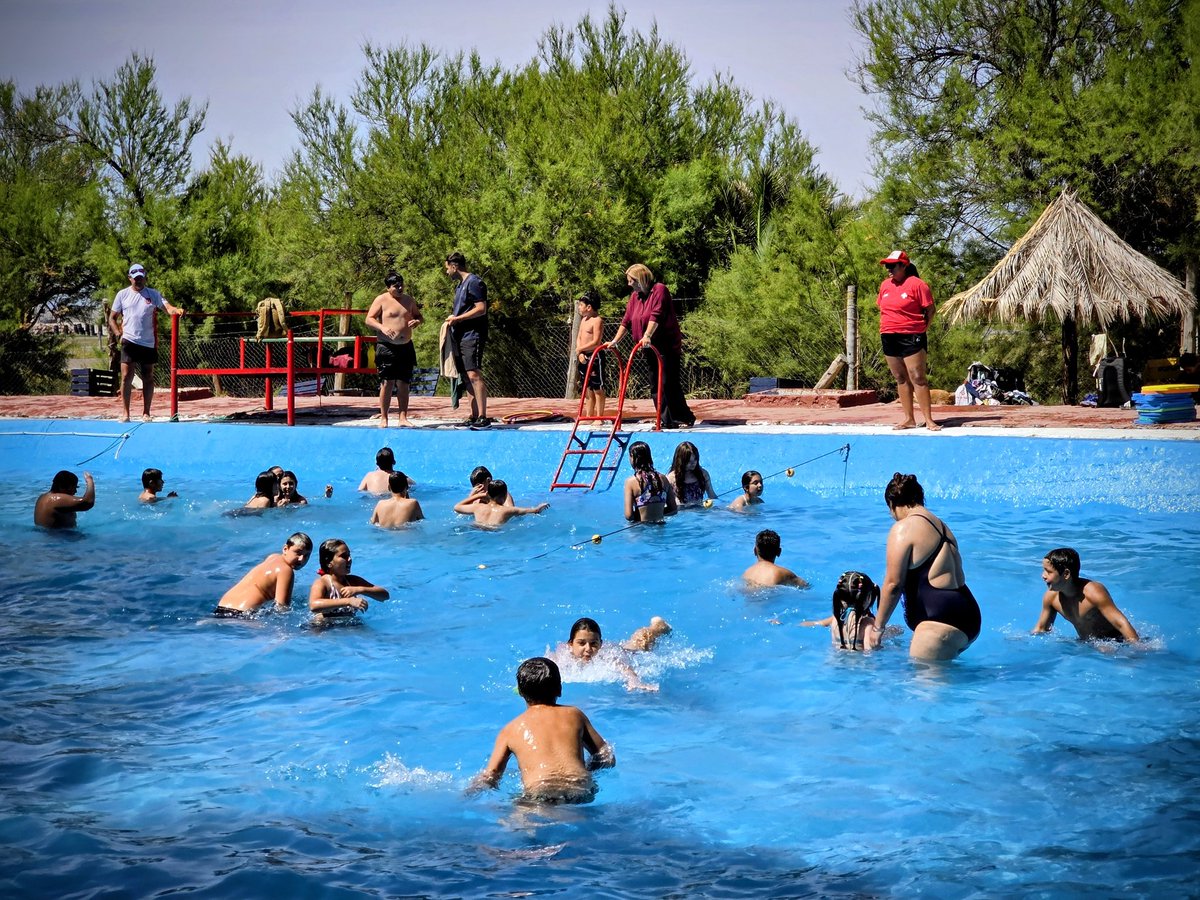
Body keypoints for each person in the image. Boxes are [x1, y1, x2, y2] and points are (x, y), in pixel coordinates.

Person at [467, 657, 615, 803]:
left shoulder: (510, 730)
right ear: (560, 689)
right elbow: (606, 755)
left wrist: (470, 792)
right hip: (580, 788)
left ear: (519, 692)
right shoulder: (574, 714)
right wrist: (587, 771)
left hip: (540, 793)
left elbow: (491, 776)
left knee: (515, 821)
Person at [866, 473, 981, 659]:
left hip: (937, 625)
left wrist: (878, 628)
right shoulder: (941, 526)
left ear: (892, 504)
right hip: (968, 616)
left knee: (920, 688)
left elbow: (893, 584)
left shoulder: (903, 528)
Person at [605, 264, 695, 429]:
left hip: (665, 344)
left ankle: (681, 416)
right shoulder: (635, 297)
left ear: (640, 279)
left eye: (631, 280)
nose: (629, 284)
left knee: (668, 382)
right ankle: (666, 419)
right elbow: (626, 321)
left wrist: (647, 335)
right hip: (648, 346)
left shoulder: (659, 290)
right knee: (655, 383)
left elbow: (657, 314)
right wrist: (615, 341)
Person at [107, 262, 184, 423]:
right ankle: (126, 413)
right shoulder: (122, 295)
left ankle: (146, 412)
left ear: (145, 278)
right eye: (135, 278)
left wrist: (175, 310)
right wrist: (118, 333)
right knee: (126, 376)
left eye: (141, 278)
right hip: (129, 340)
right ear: (130, 278)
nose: (138, 281)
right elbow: (112, 318)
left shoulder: (153, 294)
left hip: (148, 342)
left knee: (147, 376)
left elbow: (167, 307)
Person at [876, 250, 941, 431]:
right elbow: (883, 308)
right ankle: (908, 419)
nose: (888, 269)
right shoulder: (885, 285)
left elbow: (930, 310)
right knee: (900, 378)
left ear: (904, 266)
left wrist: (922, 329)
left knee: (918, 377)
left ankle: (929, 420)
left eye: (892, 265)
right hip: (889, 335)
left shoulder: (917, 285)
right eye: (887, 266)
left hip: (912, 335)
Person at [1032, 548, 1139, 642]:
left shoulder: (1093, 592)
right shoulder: (1051, 598)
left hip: (1115, 642)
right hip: (1086, 643)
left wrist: (1136, 648)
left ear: (1066, 574)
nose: (1043, 576)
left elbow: (1121, 623)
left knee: (1105, 649)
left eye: (1048, 571)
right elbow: (1041, 629)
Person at [549, 616, 671, 692]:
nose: (588, 649)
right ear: (571, 644)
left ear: (600, 644)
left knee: (638, 645)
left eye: (594, 643)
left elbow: (625, 668)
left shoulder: (608, 655)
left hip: (623, 652)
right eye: (581, 643)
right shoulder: (562, 657)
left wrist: (634, 681)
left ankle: (659, 627)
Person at [365, 270, 423, 428]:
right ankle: (384, 418)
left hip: (405, 347)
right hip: (387, 346)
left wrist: (417, 321)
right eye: (395, 286)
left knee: (404, 383)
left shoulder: (409, 300)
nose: (399, 288)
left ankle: (403, 417)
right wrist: (381, 327)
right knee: (387, 382)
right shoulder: (381, 300)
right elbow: (369, 319)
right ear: (388, 288)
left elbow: (419, 316)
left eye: (401, 284)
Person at [214, 532, 313, 617]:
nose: (301, 559)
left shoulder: (273, 557)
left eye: (306, 555)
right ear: (285, 549)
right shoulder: (286, 571)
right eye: (298, 553)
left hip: (222, 607)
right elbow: (282, 609)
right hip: (241, 614)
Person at [443, 251, 490, 427]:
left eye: (447, 268)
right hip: (459, 336)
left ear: (454, 266)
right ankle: (474, 414)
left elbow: (481, 308)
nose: (447, 272)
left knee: (474, 373)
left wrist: (459, 318)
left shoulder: (474, 282)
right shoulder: (459, 285)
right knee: (465, 375)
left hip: (472, 335)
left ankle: (483, 417)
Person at [308, 539, 390, 622]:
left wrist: (361, 589)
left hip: (348, 625)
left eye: (349, 555)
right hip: (323, 627)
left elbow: (385, 596)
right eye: (344, 556)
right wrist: (348, 601)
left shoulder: (353, 581)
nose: (350, 559)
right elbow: (313, 605)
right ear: (329, 562)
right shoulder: (323, 582)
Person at [801, 571, 884, 650]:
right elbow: (869, 650)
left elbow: (817, 623)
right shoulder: (867, 623)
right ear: (868, 598)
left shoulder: (835, 619)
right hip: (857, 663)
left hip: (834, 660)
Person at [622, 441, 678, 523]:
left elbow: (629, 516)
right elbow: (673, 509)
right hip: (660, 527)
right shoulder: (663, 479)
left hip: (641, 529)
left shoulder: (630, 482)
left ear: (632, 457)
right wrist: (656, 515)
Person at [453, 480, 548, 526]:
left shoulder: (477, 507)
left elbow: (457, 507)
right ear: (503, 496)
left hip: (476, 528)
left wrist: (478, 495)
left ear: (488, 493)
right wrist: (540, 506)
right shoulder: (508, 510)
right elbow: (534, 511)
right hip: (494, 532)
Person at [575, 292, 607, 419]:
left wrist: (580, 349)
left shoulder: (597, 321)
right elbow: (579, 337)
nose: (579, 307)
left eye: (581, 305)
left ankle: (599, 417)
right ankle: (589, 416)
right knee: (587, 388)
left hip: (595, 356)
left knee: (597, 388)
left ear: (589, 307)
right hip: (583, 355)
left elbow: (596, 342)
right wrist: (580, 352)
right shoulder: (583, 320)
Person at [742, 529, 808, 588]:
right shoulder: (783, 573)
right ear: (779, 552)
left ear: (754, 551)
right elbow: (805, 586)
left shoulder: (747, 573)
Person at [666, 440, 717, 507]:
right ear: (681, 461)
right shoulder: (671, 478)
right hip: (681, 512)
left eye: (695, 459)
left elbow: (712, 495)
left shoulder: (703, 474)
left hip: (699, 513)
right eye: (689, 461)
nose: (693, 463)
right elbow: (666, 502)